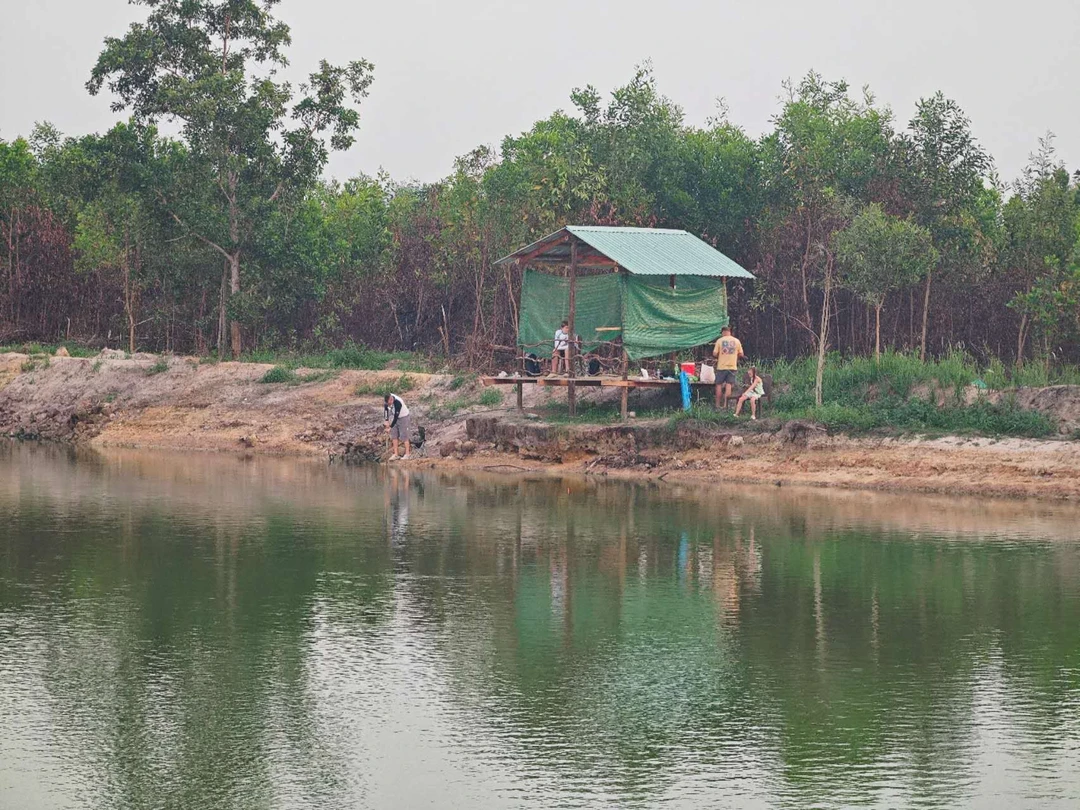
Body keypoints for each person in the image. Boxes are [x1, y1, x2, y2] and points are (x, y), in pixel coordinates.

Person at [712, 326, 745, 407]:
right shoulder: (736, 341)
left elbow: (714, 354)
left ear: (723, 332)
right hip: (732, 366)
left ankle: (717, 405)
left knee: (719, 385)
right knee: (729, 385)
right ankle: (725, 405)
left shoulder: (719, 341)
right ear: (730, 332)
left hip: (721, 367)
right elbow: (741, 354)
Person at [383, 392, 412, 460]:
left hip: (403, 417)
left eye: (390, 403)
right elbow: (386, 410)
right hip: (395, 416)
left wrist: (390, 427)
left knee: (404, 436)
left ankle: (407, 454)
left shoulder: (398, 403)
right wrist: (386, 420)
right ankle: (396, 454)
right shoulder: (387, 401)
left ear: (391, 399)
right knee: (394, 435)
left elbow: (396, 417)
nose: (389, 404)